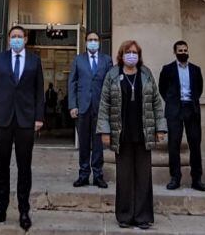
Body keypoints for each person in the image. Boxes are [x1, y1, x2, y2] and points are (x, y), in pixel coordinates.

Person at [97, 40, 166, 230]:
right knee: (124, 176)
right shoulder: (112, 74)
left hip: (144, 133)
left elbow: (156, 103)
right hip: (122, 134)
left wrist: (160, 128)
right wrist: (104, 130)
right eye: (128, 52)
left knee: (144, 176)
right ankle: (125, 216)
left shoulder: (146, 74)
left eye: (135, 52)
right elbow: (104, 105)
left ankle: (143, 216)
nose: (131, 55)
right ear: (121, 54)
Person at [0, 25, 44, 231]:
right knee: (1, 165)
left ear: (26, 39)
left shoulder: (34, 61)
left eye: (20, 36)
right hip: (2, 119)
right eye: (13, 36)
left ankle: (24, 210)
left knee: (24, 167)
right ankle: (0, 209)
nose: (17, 39)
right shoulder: (0, 58)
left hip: (26, 121)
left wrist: (39, 118)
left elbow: (39, 92)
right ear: (9, 39)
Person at [157, 40, 205, 191]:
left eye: (185, 50)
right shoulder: (167, 69)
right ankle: (175, 177)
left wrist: (192, 101)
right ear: (175, 52)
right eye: (180, 50)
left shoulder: (195, 69)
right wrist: (171, 102)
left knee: (195, 144)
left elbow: (199, 88)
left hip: (191, 109)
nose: (183, 53)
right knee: (174, 144)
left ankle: (196, 179)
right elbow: (162, 88)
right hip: (175, 110)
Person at [68, 31, 113, 188]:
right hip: (82, 108)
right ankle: (83, 174)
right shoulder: (78, 60)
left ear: (99, 42)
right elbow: (72, 83)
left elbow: (110, 85)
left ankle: (98, 175)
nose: (93, 42)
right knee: (84, 143)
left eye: (95, 40)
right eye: (90, 40)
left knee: (98, 143)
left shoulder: (107, 60)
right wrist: (73, 105)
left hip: (100, 108)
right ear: (86, 42)